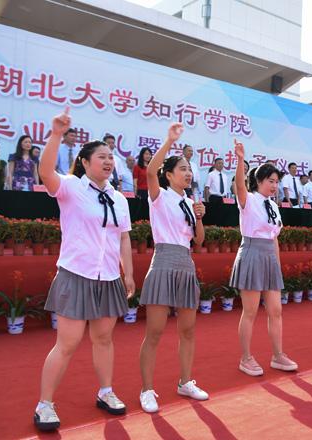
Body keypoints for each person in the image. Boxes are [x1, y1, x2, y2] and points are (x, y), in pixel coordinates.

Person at [35, 106, 134, 431]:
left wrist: (129, 274)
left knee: (103, 339)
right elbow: (45, 173)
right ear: (85, 162)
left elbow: (123, 238)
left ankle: (106, 392)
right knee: (67, 343)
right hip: (76, 274)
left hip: (109, 278)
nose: (108, 161)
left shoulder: (119, 198)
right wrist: (56, 134)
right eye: (101, 156)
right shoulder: (72, 187)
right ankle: (44, 404)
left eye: (111, 157)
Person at [138, 123, 208, 413]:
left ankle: (185, 382)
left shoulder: (190, 203)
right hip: (163, 261)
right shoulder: (159, 196)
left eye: (189, 169)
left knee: (187, 330)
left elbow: (199, 241)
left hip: (186, 264)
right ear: (169, 175)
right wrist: (169, 141)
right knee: (154, 331)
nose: (188, 173)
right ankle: (146, 389)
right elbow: (149, 172)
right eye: (182, 169)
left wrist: (200, 217)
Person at [230, 140, 298, 376]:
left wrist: (277, 265)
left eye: (277, 182)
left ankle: (278, 356)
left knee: (275, 310)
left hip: (269, 257)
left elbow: (275, 238)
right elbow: (239, 185)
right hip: (251, 254)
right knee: (250, 311)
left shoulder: (274, 206)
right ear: (258, 181)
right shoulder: (248, 200)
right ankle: (245, 358)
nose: (274, 186)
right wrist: (240, 159)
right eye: (270, 181)